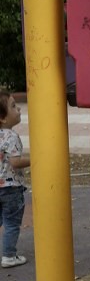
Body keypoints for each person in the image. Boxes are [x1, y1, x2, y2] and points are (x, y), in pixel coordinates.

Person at [0, 91, 31, 268]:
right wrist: (36, 160)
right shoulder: (11, 136)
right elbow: (15, 162)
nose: (18, 108)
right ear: (3, 118)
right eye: (13, 106)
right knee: (12, 222)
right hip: (11, 187)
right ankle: (9, 256)